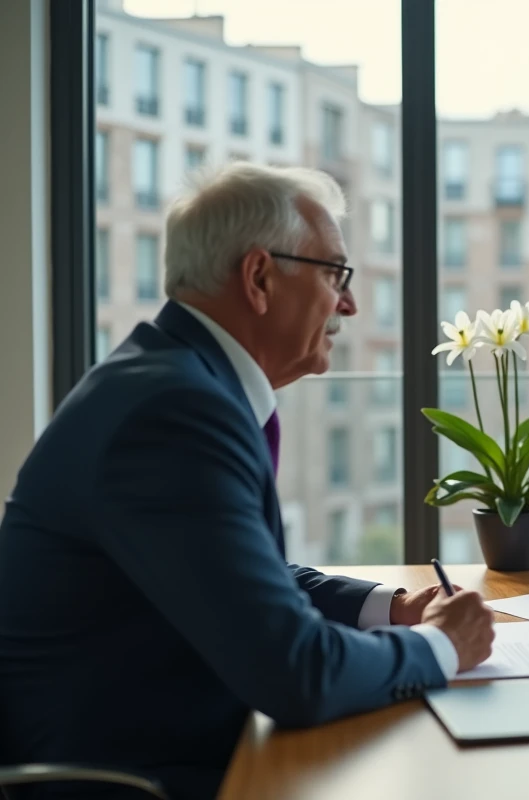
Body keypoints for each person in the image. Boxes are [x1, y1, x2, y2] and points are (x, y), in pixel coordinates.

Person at [0, 163, 495, 799]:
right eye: (334, 274)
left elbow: (238, 572)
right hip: (134, 781)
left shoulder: (172, 382)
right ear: (259, 277)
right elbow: (297, 675)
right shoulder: (175, 410)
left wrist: (391, 609)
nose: (349, 304)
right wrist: (440, 647)